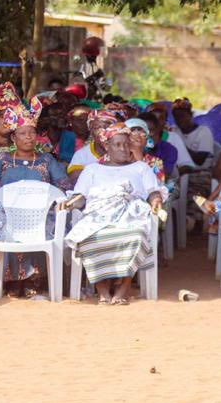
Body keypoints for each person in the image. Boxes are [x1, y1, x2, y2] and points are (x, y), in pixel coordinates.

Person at [63, 120, 163, 304]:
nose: (124, 149)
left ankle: (123, 289)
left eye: (126, 144)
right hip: (99, 215)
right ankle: (102, 292)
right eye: (118, 145)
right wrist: (70, 203)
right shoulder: (92, 169)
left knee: (136, 235)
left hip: (130, 215)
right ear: (106, 146)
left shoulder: (141, 167)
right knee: (88, 237)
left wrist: (156, 201)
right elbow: (81, 196)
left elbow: (153, 191)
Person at [0, 103, 72, 299]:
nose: (29, 137)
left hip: (41, 215)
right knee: (4, 225)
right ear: (13, 137)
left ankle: (33, 280)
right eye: (23, 133)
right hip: (7, 215)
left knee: (43, 226)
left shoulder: (46, 160)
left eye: (32, 132)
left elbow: (64, 185)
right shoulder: (2, 160)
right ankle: (11, 281)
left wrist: (61, 199)